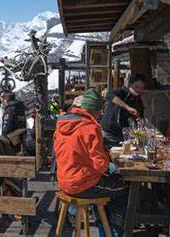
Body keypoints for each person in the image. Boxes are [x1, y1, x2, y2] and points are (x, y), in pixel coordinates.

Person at [54, 89, 128, 232]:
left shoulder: (61, 126)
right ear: (94, 110)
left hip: (64, 181)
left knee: (105, 182)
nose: (101, 114)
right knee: (124, 187)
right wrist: (110, 158)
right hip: (82, 184)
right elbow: (101, 165)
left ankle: (102, 224)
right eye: (100, 111)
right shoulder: (90, 128)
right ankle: (113, 230)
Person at [101, 74, 146, 147]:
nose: (138, 90)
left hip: (123, 135)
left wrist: (141, 119)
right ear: (129, 85)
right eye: (136, 86)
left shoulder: (138, 100)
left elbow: (140, 116)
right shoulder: (122, 91)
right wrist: (127, 107)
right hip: (109, 133)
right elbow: (109, 95)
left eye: (141, 88)